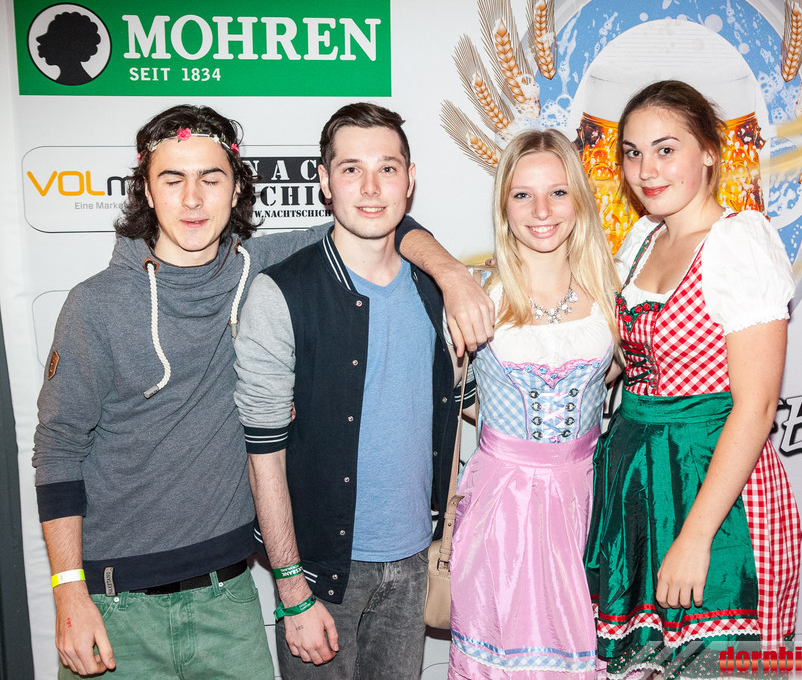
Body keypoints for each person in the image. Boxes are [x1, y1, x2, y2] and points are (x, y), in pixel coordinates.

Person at [32, 104, 491, 679]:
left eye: (211, 178)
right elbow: (58, 451)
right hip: (114, 602)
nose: (193, 199)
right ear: (146, 190)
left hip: (229, 597)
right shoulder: (96, 305)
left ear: (235, 190)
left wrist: (451, 273)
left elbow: (377, 220)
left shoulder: (262, 267)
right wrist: (69, 592)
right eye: (172, 179)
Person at [234, 102, 466, 680]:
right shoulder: (281, 292)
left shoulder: (439, 292)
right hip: (320, 572)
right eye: (350, 169)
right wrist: (292, 590)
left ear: (410, 180)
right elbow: (263, 455)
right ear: (323, 180)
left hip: (414, 562)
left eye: (387, 168)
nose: (370, 187)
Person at [584, 80, 801, 678]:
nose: (646, 170)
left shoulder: (739, 242)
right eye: (632, 153)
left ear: (708, 151)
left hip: (715, 492)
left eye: (665, 149)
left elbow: (757, 407)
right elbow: (622, 363)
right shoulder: (642, 240)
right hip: (638, 488)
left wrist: (696, 536)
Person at [447, 129, 619, 679]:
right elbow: (449, 396)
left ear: (579, 199)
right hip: (504, 507)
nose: (542, 211)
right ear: (504, 205)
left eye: (558, 193)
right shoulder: (477, 296)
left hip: (589, 501)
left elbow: (620, 376)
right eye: (523, 195)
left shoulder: (612, 292)